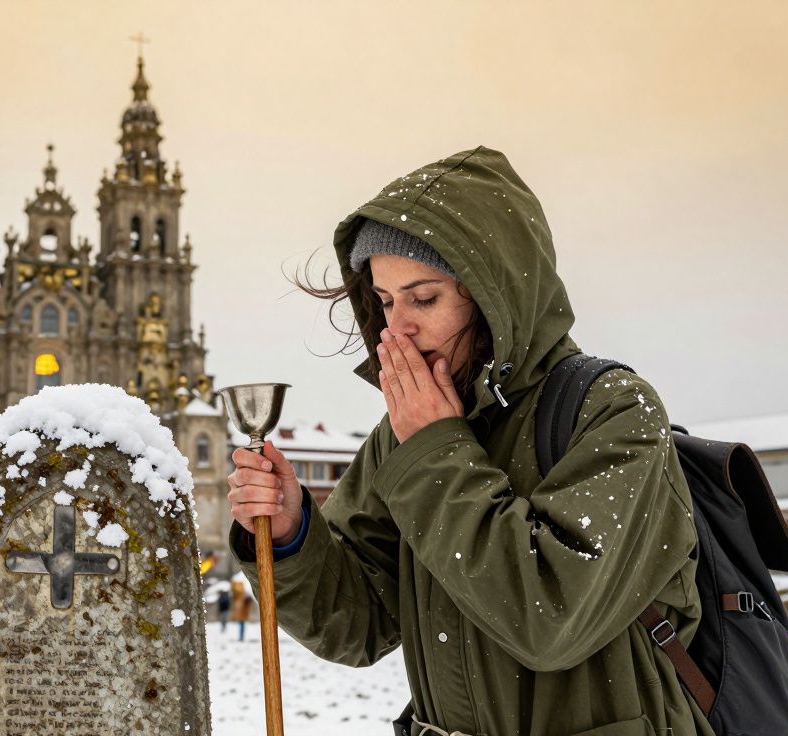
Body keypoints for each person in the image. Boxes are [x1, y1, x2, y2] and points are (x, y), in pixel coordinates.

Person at [228, 147, 707, 735]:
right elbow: (355, 627)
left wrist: (434, 448)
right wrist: (292, 533)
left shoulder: (613, 411)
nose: (396, 327)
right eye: (384, 301)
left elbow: (551, 620)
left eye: (424, 298)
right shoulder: (406, 434)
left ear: (492, 296)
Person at [229, 577, 252, 642]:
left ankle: (241, 637)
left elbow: (248, 602)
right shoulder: (239, 595)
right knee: (241, 625)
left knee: (242, 625)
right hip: (240, 613)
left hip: (242, 613)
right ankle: (241, 637)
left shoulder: (243, 595)